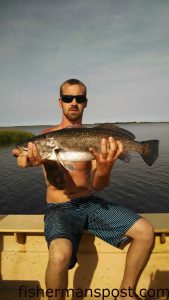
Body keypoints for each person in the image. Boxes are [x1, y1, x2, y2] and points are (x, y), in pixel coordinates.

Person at [12, 79, 154, 300]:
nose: (74, 102)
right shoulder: (48, 137)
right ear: (60, 102)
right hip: (59, 209)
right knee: (59, 256)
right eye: (68, 98)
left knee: (145, 232)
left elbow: (98, 185)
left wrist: (105, 167)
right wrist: (31, 159)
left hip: (89, 203)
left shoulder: (97, 136)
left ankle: (126, 294)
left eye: (79, 98)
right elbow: (21, 159)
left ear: (86, 102)